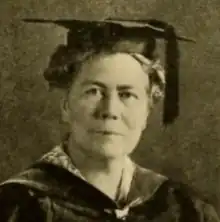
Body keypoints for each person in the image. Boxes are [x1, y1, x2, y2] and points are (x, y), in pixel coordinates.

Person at [0, 18, 219, 222]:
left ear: (147, 112)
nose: (110, 110)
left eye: (127, 95)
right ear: (66, 106)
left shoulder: (186, 209)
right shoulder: (18, 205)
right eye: (93, 91)